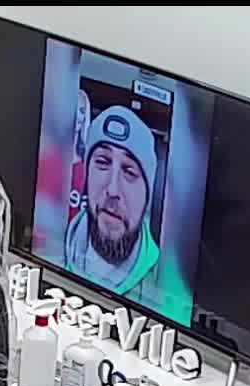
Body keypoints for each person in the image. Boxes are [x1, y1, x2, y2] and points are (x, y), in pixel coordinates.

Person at [63, 105, 170, 313]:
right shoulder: (55, 246)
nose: (112, 190)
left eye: (129, 172)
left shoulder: (162, 281)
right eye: (103, 162)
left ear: (147, 195)